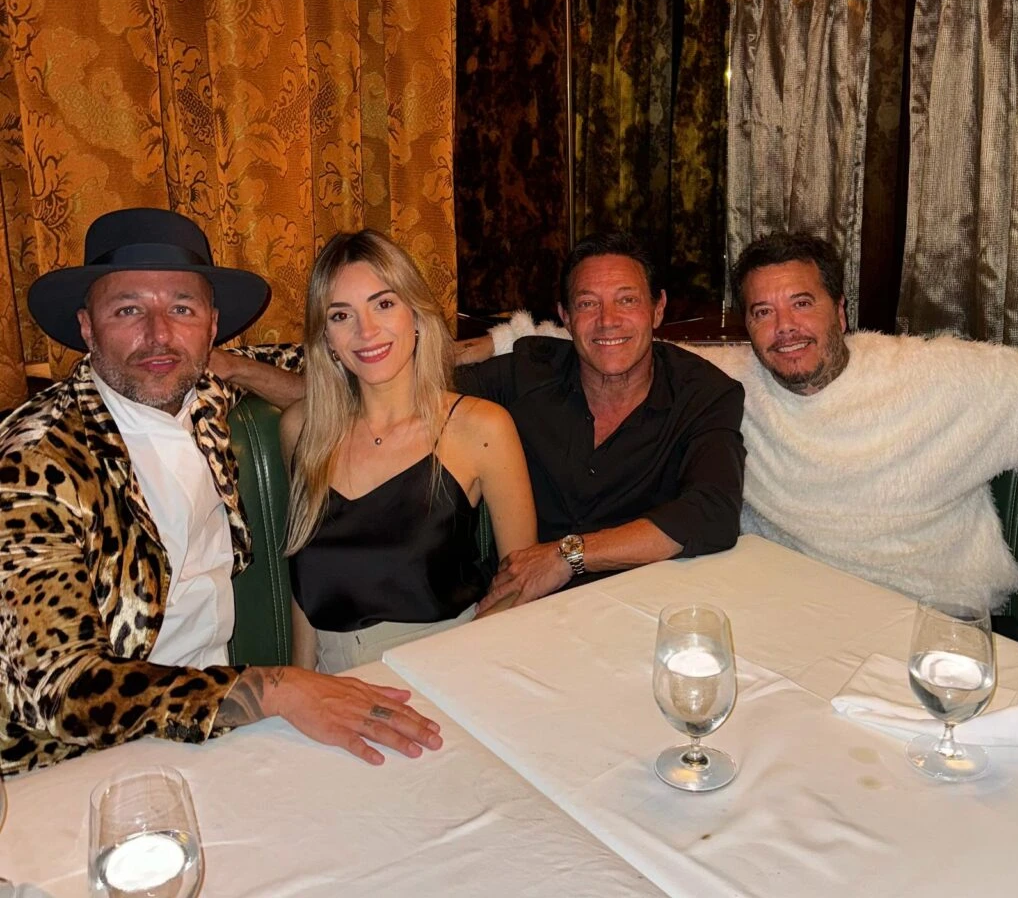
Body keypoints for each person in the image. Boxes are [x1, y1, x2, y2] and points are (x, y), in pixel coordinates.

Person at [0, 208, 442, 777]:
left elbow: (340, 367)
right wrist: (275, 688)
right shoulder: (33, 462)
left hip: (224, 732)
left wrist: (491, 348)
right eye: (128, 310)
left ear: (212, 327)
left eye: (182, 309)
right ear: (87, 328)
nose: (159, 335)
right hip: (79, 760)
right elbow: (59, 688)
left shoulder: (201, 390)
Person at [691, 231, 1018, 607]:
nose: (784, 326)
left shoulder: (936, 377)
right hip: (787, 603)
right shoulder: (731, 385)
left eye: (802, 303)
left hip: (932, 610)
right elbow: (648, 358)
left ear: (839, 313)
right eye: (763, 312)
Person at [281, 230, 536, 672]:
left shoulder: (482, 428)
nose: (366, 331)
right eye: (341, 315)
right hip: (333, 678)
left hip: (446, 668)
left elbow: (521, 584)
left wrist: (443, 672)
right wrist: (300, 683)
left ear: (416, 314)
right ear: (326, 338)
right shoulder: (302, 429)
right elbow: (304, 588)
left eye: (383, 304)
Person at [457, 231, 746, 615]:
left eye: (627, 300)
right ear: (566, 317)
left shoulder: (703, 393)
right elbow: (425, 395)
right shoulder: (527, 373)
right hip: (517, 606)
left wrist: (568, 556)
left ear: (657, 309)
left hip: (640, 609)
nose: (608, 321)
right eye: (587, 303)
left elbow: (712, 511)